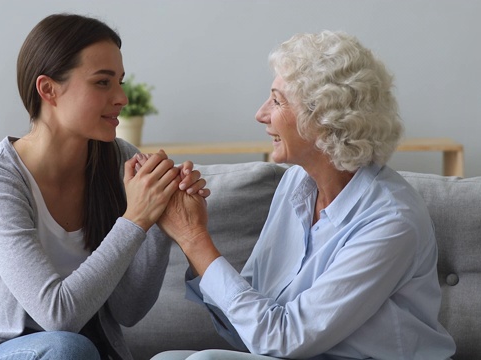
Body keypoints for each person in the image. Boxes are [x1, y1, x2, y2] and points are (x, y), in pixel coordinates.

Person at [152, 31, 456, 359]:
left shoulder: (391, 220)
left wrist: (195, 239)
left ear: (323, 119)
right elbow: (249, 326)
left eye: (277, 100)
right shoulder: (296, 184)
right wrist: (189, 233)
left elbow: (283, 340)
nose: (261, 114)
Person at [0, 13, 208, 360]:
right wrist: (136, 219)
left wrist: (161, 216)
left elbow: (129, 312)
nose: (121, 98)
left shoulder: (118, 162)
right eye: (102, 82)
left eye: (120, 82)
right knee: (68, 348)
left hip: (84, 352)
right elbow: (58, 315)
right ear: (48, 89)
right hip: (3, 352)